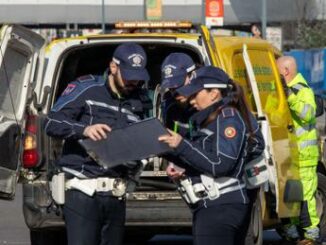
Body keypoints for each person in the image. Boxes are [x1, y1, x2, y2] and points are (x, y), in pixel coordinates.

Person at [44, 43, 152, 245]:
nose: (134, 81)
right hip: (82, 191)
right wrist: (84, 130)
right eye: (128, 75)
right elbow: (51, 123)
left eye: (138, 76)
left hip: (116, 193)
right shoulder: (86, 88)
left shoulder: (140, 100)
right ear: (113, 67)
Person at [159, 66, 265, 245]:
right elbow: (205, 158)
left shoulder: (227, 119)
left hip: (221, 206)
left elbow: (220, 164)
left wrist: (182, 145)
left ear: (214, 93)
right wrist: (170, 153)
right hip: (214, 206)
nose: (191, 100)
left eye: (195, 94)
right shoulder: (213, 119)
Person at [277, 56, 320, 245]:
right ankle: (293, 233)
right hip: (289, 156)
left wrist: (290, 97)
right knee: (292, 198)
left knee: (306, 197)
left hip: (305, 157)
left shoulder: (302, 90)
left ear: (285, 71)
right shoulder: (283, 91)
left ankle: (311, 236)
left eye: (277, 72)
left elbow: (308, 114)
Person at [160, 52, 197, 179]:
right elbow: (173, 140)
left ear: (192, 75)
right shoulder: (170, 105)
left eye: (179, 86)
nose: (175, 92)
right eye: (171, 88)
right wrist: (174, 164)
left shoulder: (209, 102)